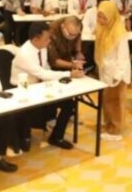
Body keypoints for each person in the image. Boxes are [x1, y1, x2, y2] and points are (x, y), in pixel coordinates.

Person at [10, 22, 84, 151]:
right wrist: (69, 74)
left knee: (68, 103)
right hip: (23, 89)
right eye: (46, 38)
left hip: (40, 86)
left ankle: (57, 137)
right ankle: (24, 135)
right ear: (35, 39)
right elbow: (42, 73)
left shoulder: (42, 48)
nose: (49, 41)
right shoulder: (25, 54)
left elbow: (46, 68)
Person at [45, 16, 87, 149]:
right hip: (50, 67)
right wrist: (73, 65)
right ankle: (52, 118)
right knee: (60, 97)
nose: (72, 37)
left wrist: (78, 52)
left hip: (66, 59)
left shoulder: (77, 27)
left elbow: (78, 37)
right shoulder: (51, 32)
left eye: (75, 34)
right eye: (70, 34)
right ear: (63, 27)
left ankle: (68, 114)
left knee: (70, 94)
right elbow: (54, 61)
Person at [95, 1, 131, 141]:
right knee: (107, 100)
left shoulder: (119, 33)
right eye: (99, 16)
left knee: (115, 102)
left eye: (104, 17)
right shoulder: (103, 29)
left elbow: (123, 57)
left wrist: (118, 75)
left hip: (117, 73)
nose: (100, 20)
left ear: (111, 16)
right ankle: (109, 124)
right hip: (106, 71)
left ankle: (115, 131)